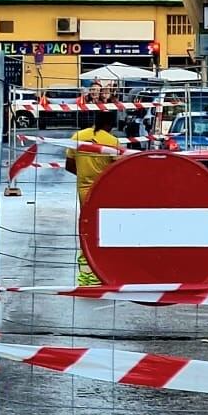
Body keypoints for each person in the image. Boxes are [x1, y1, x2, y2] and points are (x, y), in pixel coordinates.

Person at [66, 107, 123, 287]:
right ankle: (102, 272)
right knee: (105, 230)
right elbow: (118, 169)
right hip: (105, 191)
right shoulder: (112, 141)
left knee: (87, 229)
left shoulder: (77, 137)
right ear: (111, 123)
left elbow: (69, 165)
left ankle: (85, 275)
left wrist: (85, 176)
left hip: (84, 191)